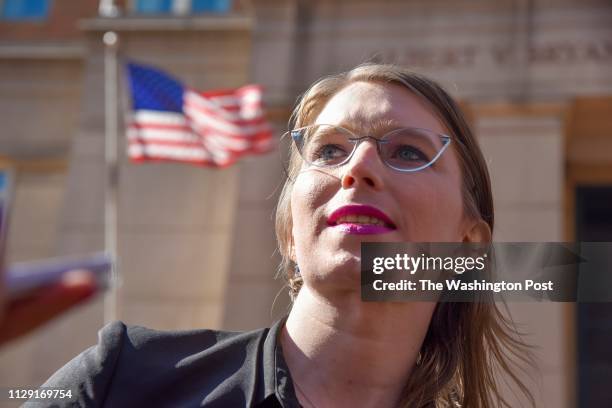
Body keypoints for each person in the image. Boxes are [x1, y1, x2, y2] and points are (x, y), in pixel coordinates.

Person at [27, 64, 534, 408]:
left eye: (406, 152)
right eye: (330, 150)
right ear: (291, 231)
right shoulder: (123, 377)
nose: (357, 169)